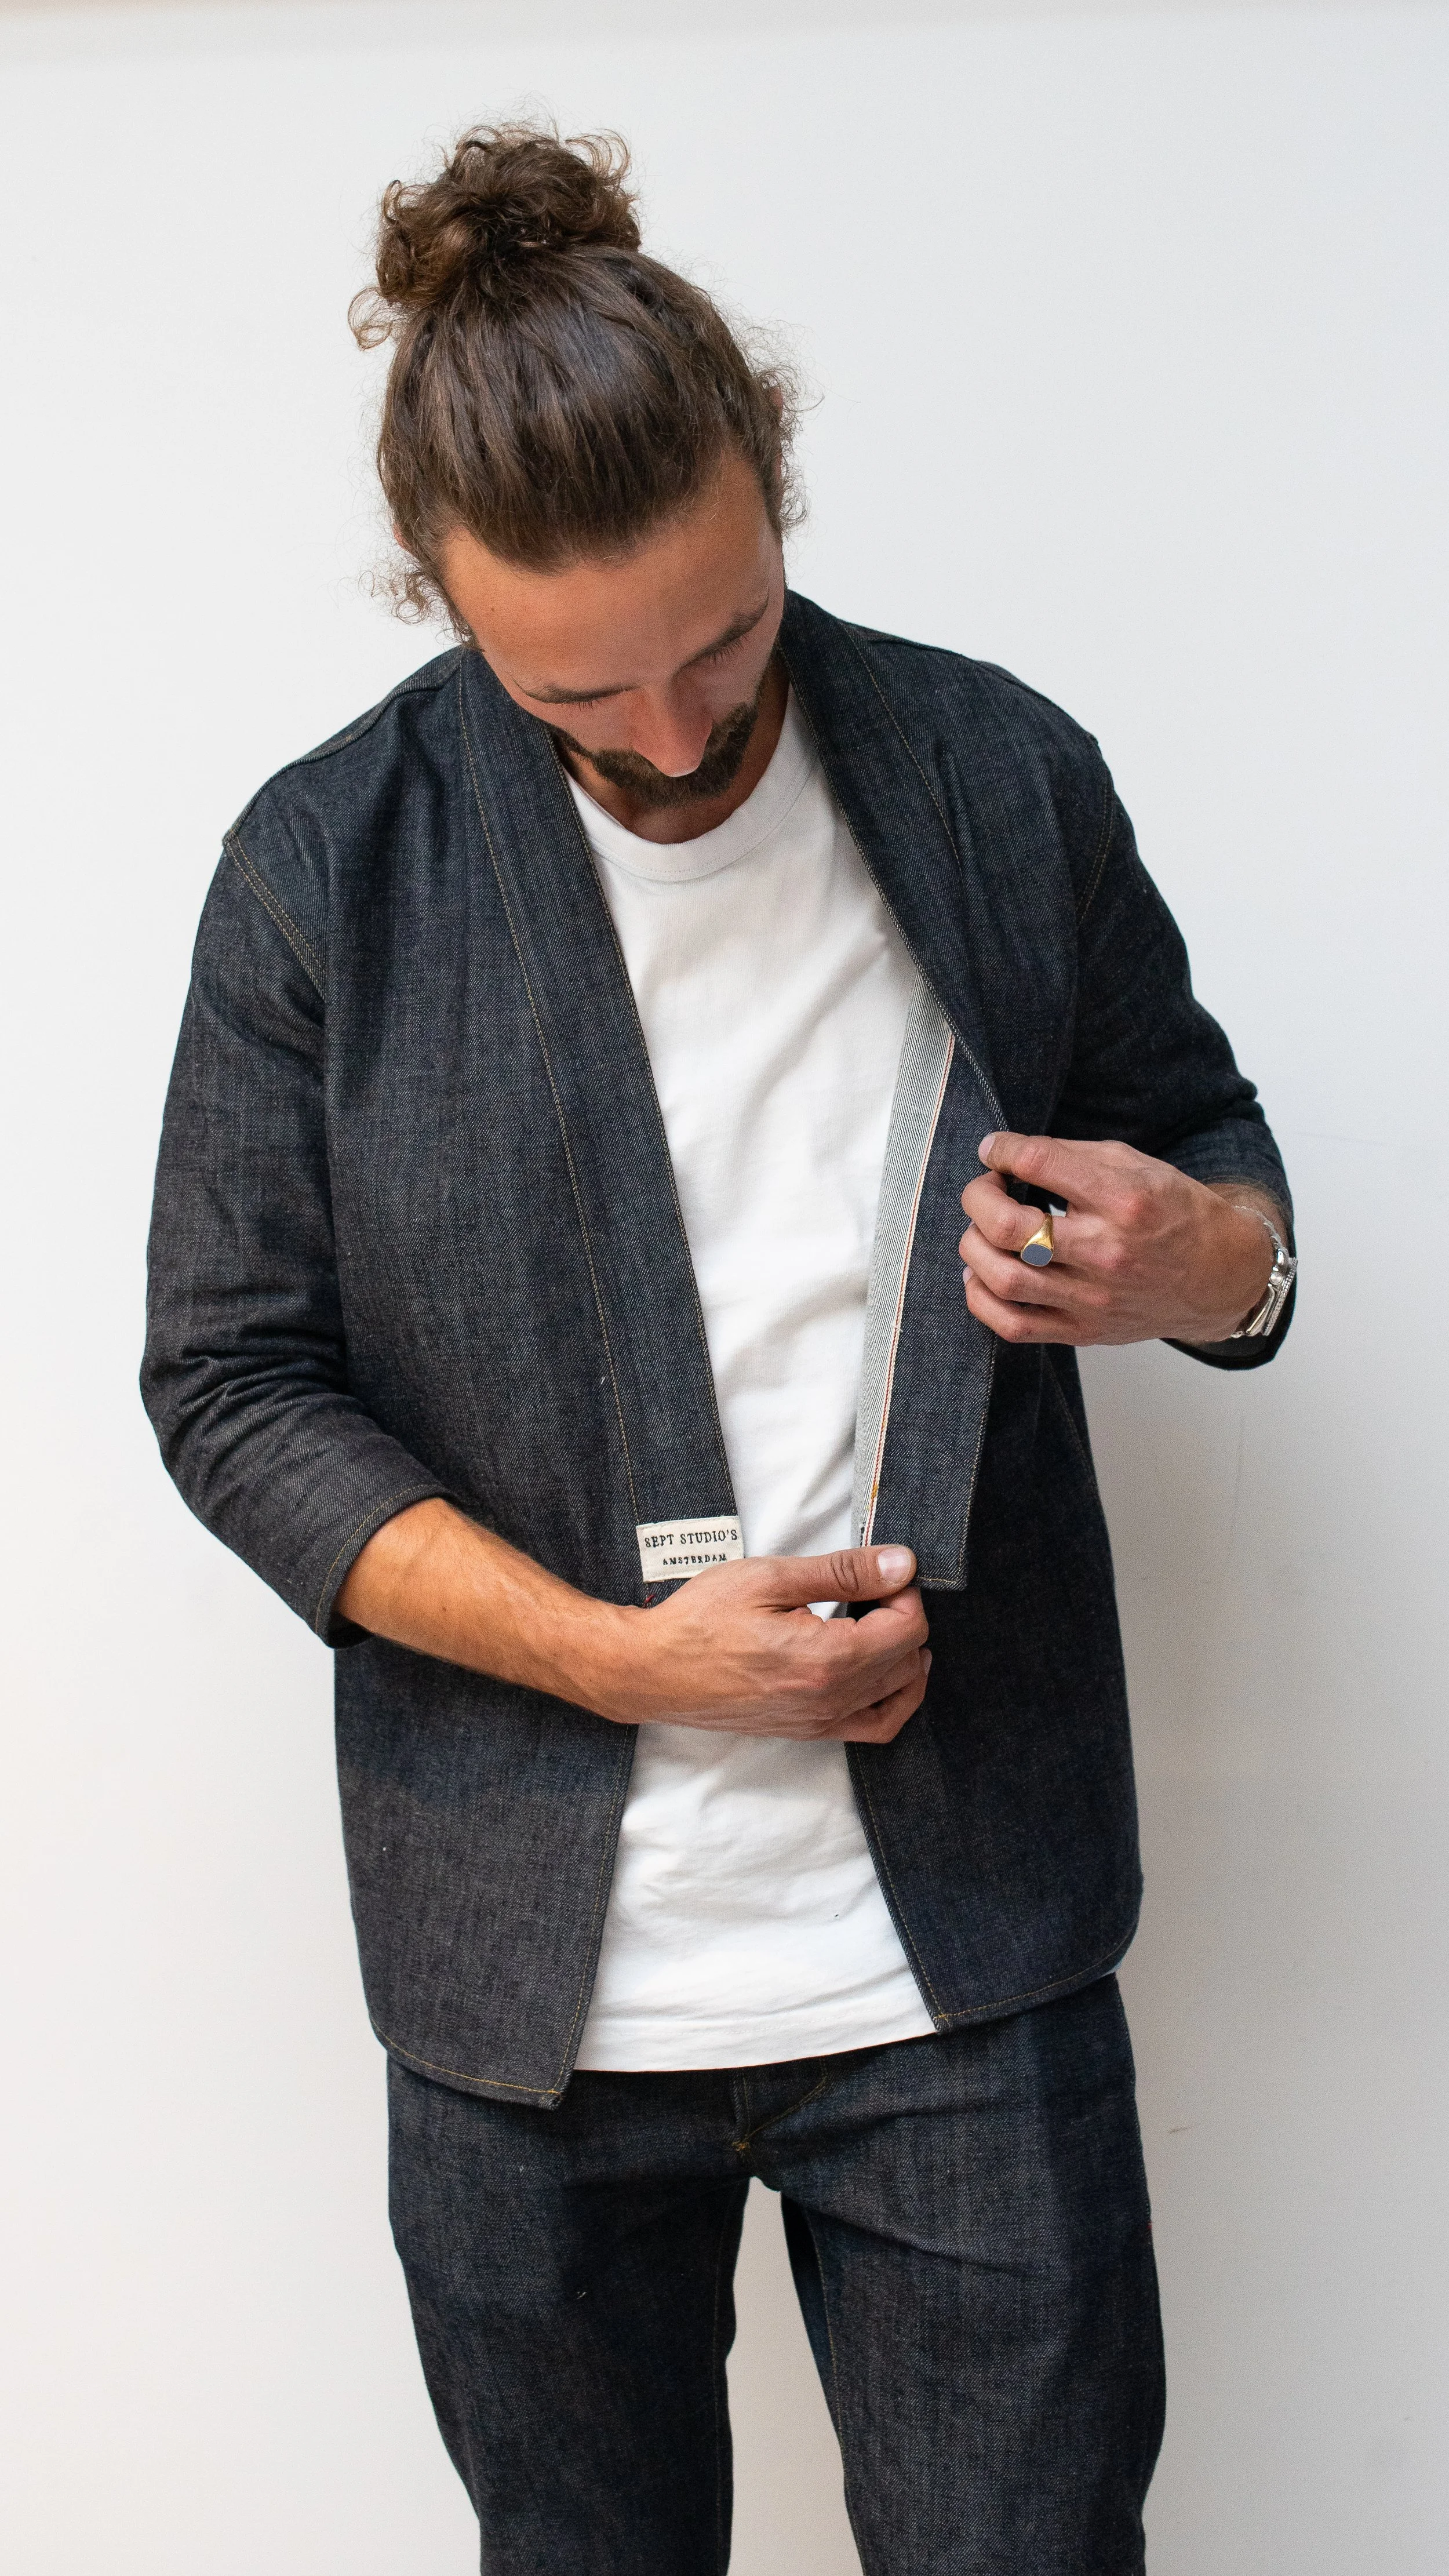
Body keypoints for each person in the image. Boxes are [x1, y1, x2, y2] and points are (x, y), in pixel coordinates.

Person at [142, 123, 1295, 2575]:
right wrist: (618, 1658)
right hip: (521, 2005)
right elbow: (230, 1387)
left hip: (961, 1961)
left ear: (770, 485)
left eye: (727, 644)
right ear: (438, 602)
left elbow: (1220, 1188)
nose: (674, 740)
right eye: (576, 689)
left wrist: (1191, 1254)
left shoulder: (997, 780)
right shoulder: (316, 876)